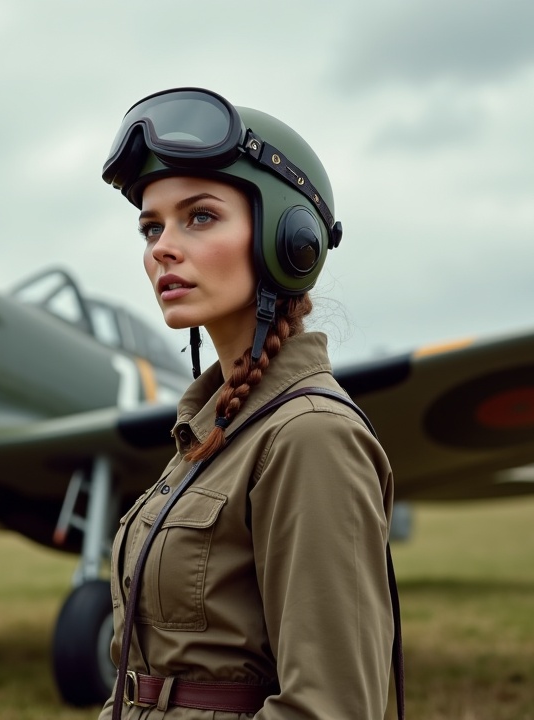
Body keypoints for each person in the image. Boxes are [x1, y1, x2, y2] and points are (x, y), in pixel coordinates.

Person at [96, 88, 399, 719]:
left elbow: (330, 709)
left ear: (288, 240)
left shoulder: (309, 437)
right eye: (152, 226)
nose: (161, 247)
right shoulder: (210, 431)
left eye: (199, 216)